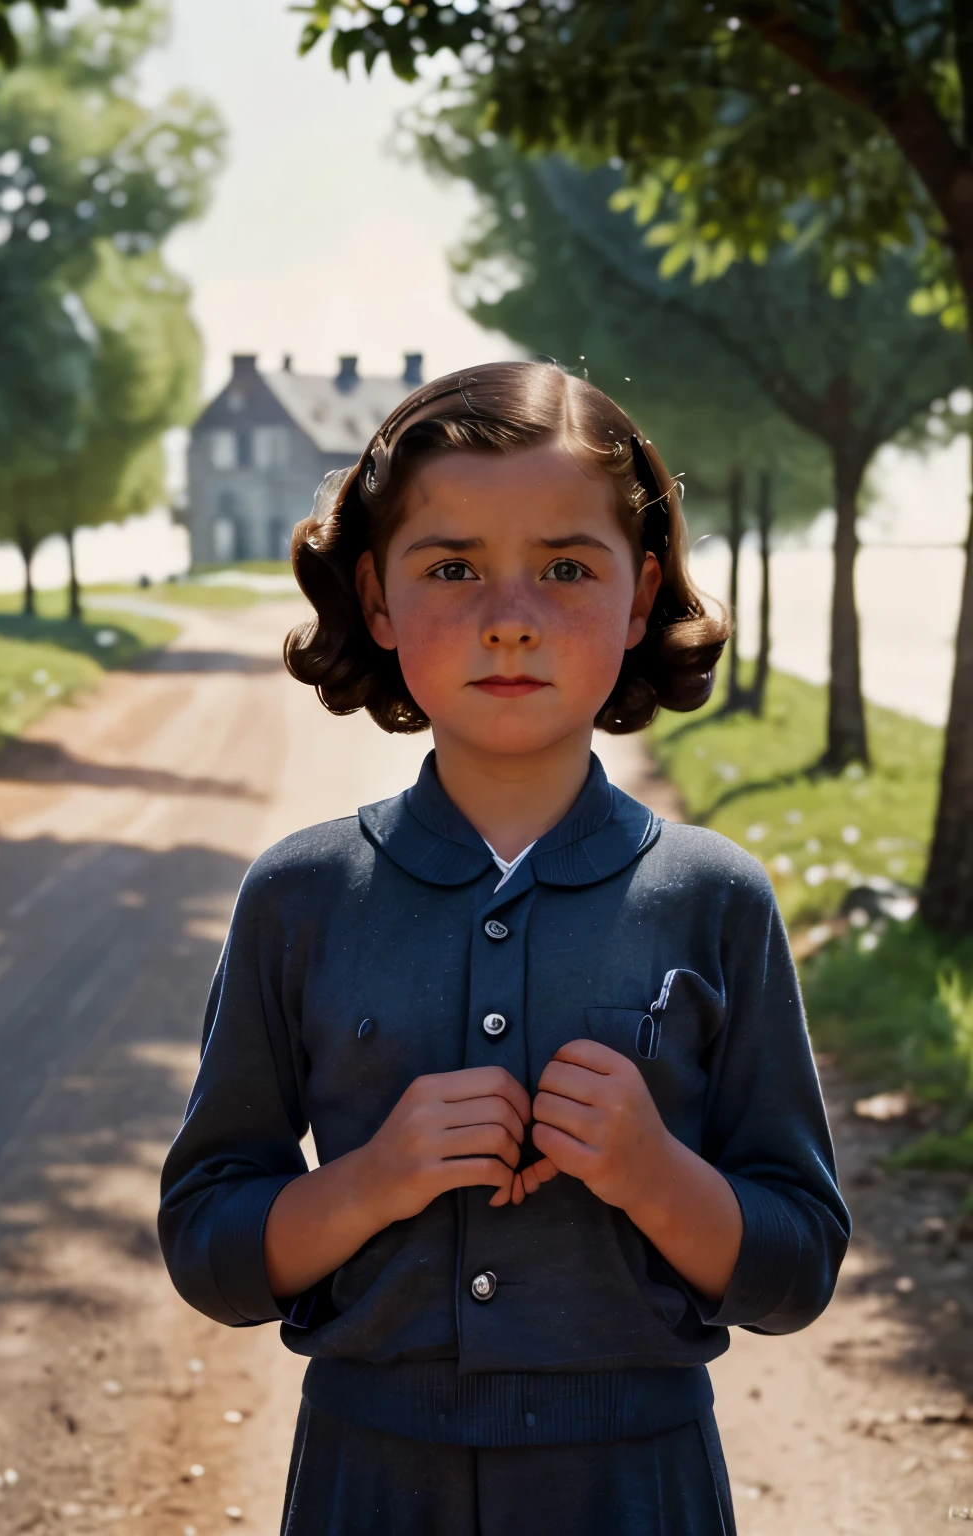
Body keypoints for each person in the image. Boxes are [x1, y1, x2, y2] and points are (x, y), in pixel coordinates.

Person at [158, 361, 850, 1535]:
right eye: (453, 567)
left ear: (640, 600)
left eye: (568, 568)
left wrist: (653, 1172)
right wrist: (371, 1181)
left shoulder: (715, 898)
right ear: (376, 600)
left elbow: (797, 1269)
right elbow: (209, 1243)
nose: (511, 615)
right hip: (364, 1484)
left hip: (642, 1487)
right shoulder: (300, 896)